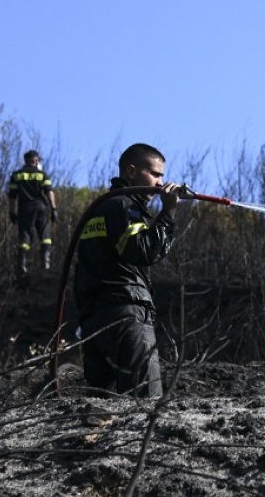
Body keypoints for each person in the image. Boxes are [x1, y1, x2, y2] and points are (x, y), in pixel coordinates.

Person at [73, 143, 182, 398]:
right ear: (131, 172)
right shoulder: (124, 207)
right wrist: (168, 212)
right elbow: (143, 251)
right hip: (127, 313)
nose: (160, 183)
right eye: (155, 174)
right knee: (144, 404)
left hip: (95, 320)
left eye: (162, 176)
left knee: (101, 408)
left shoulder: (101, 209)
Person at [7, 150, 58, 282]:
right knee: (45, 237)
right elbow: (49, 192)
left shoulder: (16, 175)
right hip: (41, 208)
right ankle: (45, 266)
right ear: (35, 161)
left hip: (25, 210)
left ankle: (22, 267)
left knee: (24, 239)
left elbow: (12, 196)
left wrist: (12, 212)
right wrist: (54, 209)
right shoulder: (42, 175)